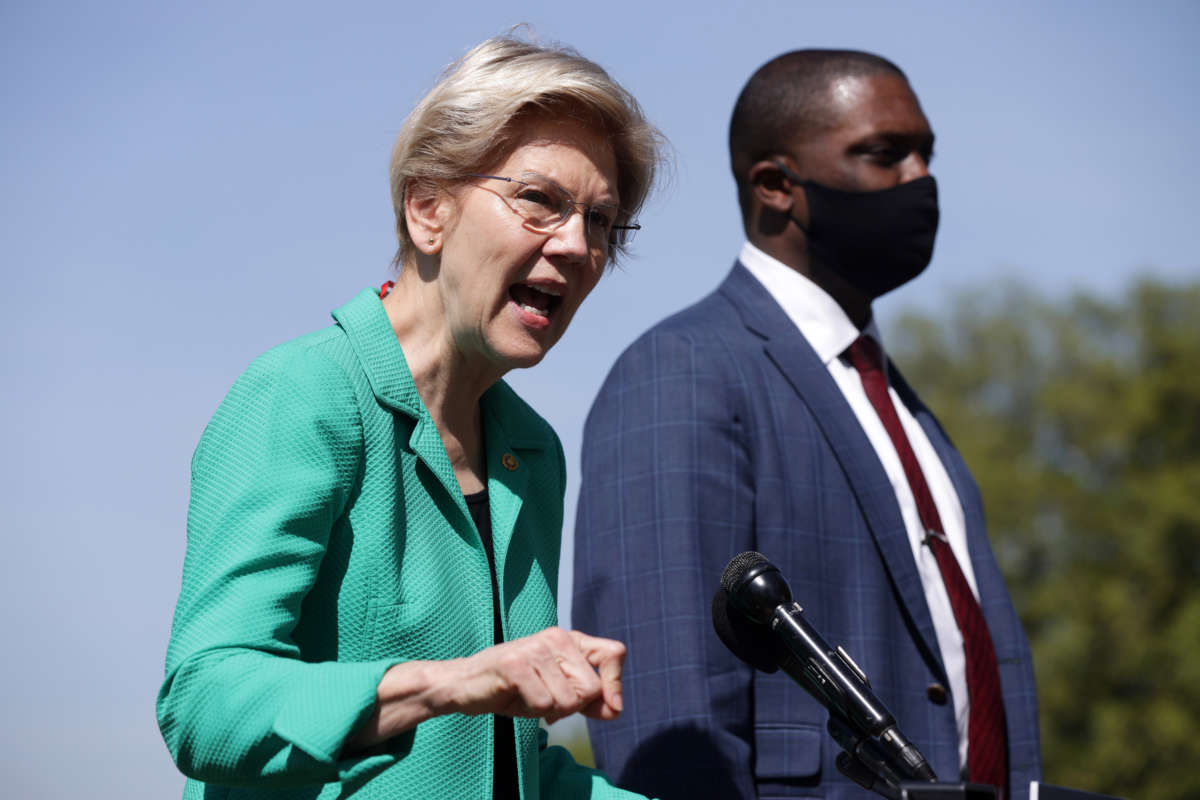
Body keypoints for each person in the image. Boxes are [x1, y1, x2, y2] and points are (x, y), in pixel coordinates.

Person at [157, 34, 665, 800]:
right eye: (539, 201)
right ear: (428, 208)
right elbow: (203, 705)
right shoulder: (303, 394)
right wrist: (450, 683)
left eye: (601, 222)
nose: (577, 246)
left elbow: (503, 768)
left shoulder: (534, 453)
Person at [573, 49, 1041, 800]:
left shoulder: (900, 405)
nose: (920, 178)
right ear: (776, 186)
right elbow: (669, 715)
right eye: (884, 154)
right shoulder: (683, 372)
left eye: (927, 154)